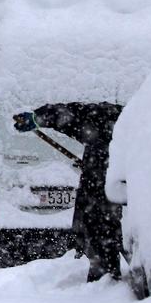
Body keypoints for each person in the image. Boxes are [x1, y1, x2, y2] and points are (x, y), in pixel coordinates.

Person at [13, 102, 125, 282]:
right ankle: (108, 289)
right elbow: (75, 115)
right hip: (103, 204)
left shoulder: (140, 123)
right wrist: (38, 118)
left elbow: (76, 115)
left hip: (114, 207)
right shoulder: (121, 118)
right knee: (105, 260)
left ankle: (111, 288)